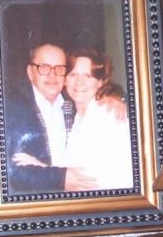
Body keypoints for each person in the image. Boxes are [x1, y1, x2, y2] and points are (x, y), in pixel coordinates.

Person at [5, 43, 125, 195]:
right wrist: (59, 178)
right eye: (44, 67)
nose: (52, 75)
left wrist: (118, 96)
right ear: (30, 72)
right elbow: (9, 172)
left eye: (59, 68)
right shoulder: (13, 107)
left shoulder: (93, 108)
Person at [56, 48, 133, 190]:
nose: (79, 83)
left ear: (100, 82)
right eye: (73, 75)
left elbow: (85, 177)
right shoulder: (78, 116)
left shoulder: (107, 113)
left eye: (88, 76)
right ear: (65, 80)